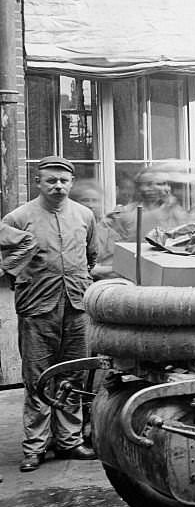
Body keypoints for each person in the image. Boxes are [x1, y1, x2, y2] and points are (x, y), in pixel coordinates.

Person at [2, 156, 97, 472]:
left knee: (73, 374)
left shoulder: (84, 215)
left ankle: (69, 441)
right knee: (37, 377)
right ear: (38, 182)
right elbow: (7, 261)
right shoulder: (18, 218)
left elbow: (91, 258)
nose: (58, 186)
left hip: (76, 307)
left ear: (71, 182)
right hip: (38, 309)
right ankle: (35, 446)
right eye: (51, 181)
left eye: (63, 181)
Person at [109, 166, 190, 242]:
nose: (168, 188)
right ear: (145, 187)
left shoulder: (175, 211)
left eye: (168, 184)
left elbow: (185, 238)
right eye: (161, 184)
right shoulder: (126, 212)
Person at [69, 182, 116, 279]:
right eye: (85, 200)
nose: (90, 205)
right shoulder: (68, 228)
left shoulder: (108, 229)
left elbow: (116, 266)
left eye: (95, 200)